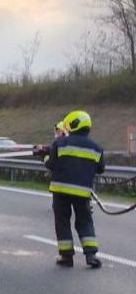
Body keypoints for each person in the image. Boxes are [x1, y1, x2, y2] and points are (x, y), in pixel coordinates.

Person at [44, 110, 105, 268]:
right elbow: (100, 169)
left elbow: (51, 164)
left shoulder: (60, 143)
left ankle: (66, 257)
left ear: (71, 124)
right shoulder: (97, 148)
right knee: (85, 221)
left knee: (62, 222)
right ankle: (91, 255)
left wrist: (44, 155)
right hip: (82, 192)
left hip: (61, 191)